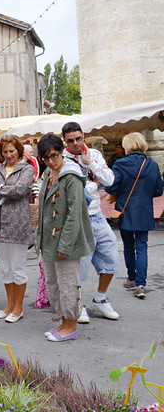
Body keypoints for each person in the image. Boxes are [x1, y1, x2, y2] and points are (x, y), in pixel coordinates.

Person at [36, 133, 94, 342]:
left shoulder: (71, 176)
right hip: (50, 239)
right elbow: (43, 210)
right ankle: (63, 322)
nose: (51, 161)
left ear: (62, 152)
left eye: (54, 156)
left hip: (66, 240)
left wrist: (66, 243)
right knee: (54, 283)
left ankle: (71, 326)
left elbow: (75, 213)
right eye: (46, 158)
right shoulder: (48, 174)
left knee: (68, 283)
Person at [62, 122, 121, 322]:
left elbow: (110, 180)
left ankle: (101, 298)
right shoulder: (62, 158)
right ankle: (78, 303)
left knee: (111, 256)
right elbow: (78, 190)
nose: (76, 143)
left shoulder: (93, 154)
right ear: (65, 140)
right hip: (77, 217)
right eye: (70, 140)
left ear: (83, 135)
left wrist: (91, 165)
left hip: (97, 215)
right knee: (80, 265)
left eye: (78, 138)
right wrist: (94, 184)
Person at [105, 132, 163, 299]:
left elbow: (111, 188)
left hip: (125, 210)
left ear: (127, 146)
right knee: (142, 246)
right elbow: (159, 190)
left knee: (129, 246)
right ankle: (141, 283)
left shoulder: (120, 164)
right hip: (144, 211)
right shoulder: (151, 164)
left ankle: (131, 278)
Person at [0, 135, 34, 323]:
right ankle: (10, 305)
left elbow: (20, 191)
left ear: (18, 151)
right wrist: (2, 191)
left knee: (18, 268)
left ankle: (18, 307)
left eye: (11, 151)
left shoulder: (27, 169)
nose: (8, 155)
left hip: (17, 225)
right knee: (5, 268)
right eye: (5, 152)